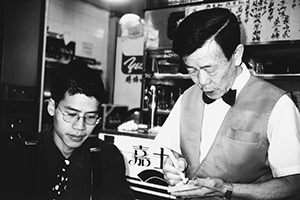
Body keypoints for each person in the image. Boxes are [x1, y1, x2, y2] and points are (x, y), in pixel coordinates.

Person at [154, 7, 300, 200]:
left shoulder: (278, 105)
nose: (202, 81)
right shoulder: (187, 97)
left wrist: (227, 189)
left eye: (210, 68)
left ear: (237, 55)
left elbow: (293, 185)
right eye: (192, 70)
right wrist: (172, 167)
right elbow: (173, 152)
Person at [0, 60, 135, 200]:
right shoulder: (18, 156)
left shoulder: (107, 159)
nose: (80, 127)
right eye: (71, 115)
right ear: (52, 107)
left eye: (90, 117)